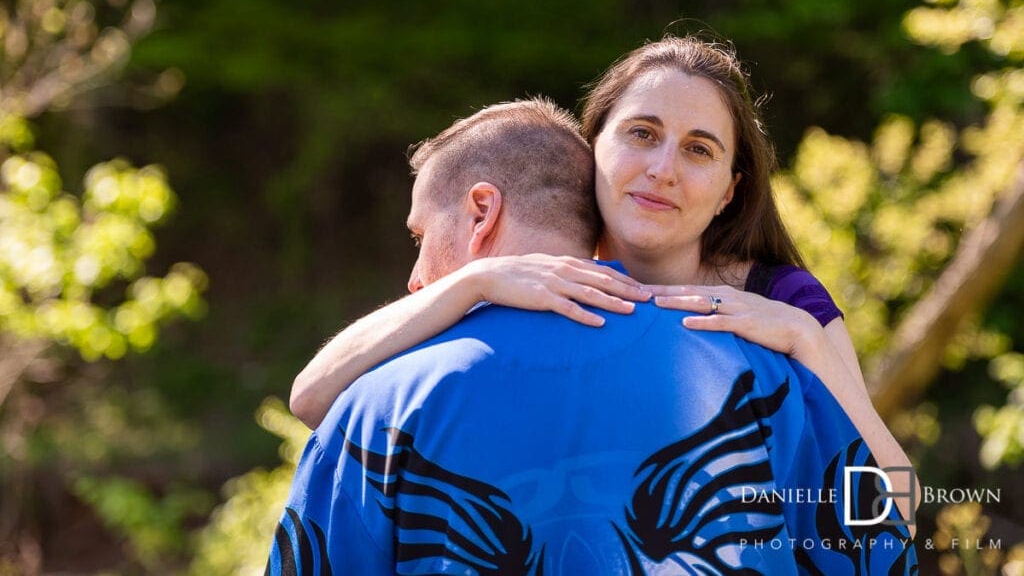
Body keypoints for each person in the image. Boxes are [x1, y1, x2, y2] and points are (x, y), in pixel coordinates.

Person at [267, 99, 916, 574]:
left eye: (419, 237)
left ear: (482, 211)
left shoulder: (379, 404)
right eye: (643, 135)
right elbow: (879, 543)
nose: (414, 279)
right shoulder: (764, 377)